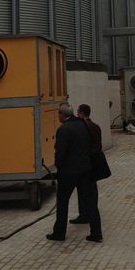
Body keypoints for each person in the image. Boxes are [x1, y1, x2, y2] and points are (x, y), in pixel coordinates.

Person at [46, 103, 103, 243]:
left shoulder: (63, 130)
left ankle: (59, 233)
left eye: (58, 114)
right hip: (86, 170)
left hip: (68, 173)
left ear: (61, 115)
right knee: (91, 203)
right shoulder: (84, 125)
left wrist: (58, 168)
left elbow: (60, 153)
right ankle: (96, 233)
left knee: (63, 202)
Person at [69, 104, 102, 225]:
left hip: (84, 163)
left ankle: (84, 215)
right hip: (95, 161)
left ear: (82, 113)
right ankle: (91, 212)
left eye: (78, 113)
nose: (77, 115)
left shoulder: (82, 127)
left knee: (83, 191)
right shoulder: (96, 126)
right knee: (92, 190)